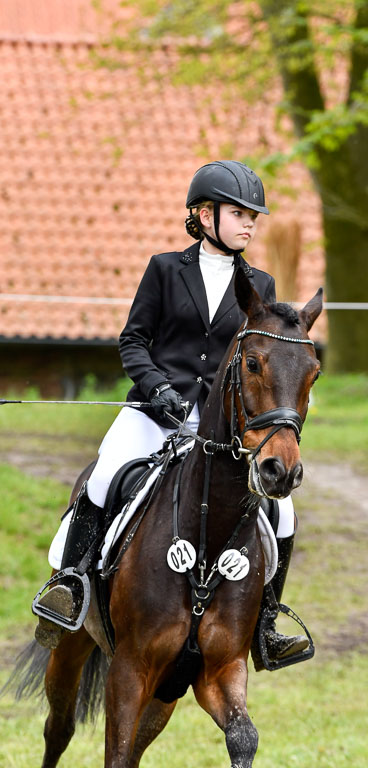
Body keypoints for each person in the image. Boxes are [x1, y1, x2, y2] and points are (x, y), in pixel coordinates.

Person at [33, 160, 308, 665]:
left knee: (283, 510)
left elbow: (262, 361)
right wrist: (157, 386)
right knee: (104, 478)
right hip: (154, 411)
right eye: (239, 214)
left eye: (253, 217)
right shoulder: (164, 269)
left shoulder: (261, 285)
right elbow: (133, 341)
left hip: (221, 425)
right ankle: (69, 586)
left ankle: (268, 621)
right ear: (205, 216)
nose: (249, 224)